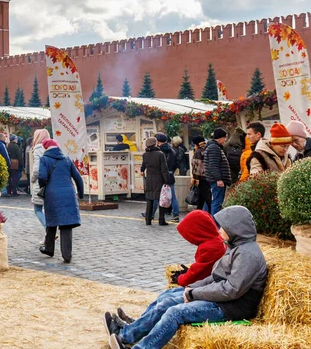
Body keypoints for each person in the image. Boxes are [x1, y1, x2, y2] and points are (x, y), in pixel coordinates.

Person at [103, 206, 267, 349]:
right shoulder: (236, 248)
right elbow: (215, 277)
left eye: (223, 227)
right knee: (167, 298)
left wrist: (194, 294)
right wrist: (191, 289)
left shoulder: (247, 255)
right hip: (223, 301)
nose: (219, 230)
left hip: (231, 308)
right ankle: (127, 334)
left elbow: (230, 290)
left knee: (175, 312)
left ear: (235, 228)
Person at [38, 139, 84, 263]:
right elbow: (78, 178)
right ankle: (67, 255)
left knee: (52, 221)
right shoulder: (67, 159)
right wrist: (81, 193)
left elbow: (41, 176)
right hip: (68, 194)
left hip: (52, 194)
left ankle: (49, 248)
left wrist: (43, 185)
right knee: (66, 224)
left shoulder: (44, 159)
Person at [171, 210, 226, 286]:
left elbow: (197, 274)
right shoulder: (217, 239)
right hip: (215, 281)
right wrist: (188, 271)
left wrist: (180, 279)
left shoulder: (209, 248)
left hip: (213, 284)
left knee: (167, 296)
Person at [141, 137, 170, 226]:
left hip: (149, 178)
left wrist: (143, 171)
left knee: (149, 199)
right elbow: (164, 169)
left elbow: (143, 167)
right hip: (159, 178)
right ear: (155, 143)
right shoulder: (160, 154)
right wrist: (167, 180)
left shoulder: (145, 155)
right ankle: (161, 220)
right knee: (161, 199)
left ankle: (148, 220)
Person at [204, 128, 231, 217]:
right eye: (224, 138)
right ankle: (215, 224)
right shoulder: (214, 148)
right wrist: (219, 179)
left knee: (213, 201)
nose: (225, 140)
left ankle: (208, 220)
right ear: (220, 138)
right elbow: (213, 165)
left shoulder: (213, 147)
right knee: (217, 202)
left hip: (215, 180)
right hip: (217, 181)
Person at [156, 134, 179, 222]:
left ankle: (150, 213)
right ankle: (176, 214)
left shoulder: (159, 151)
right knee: (172, 196)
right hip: (170, 174)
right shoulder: (172, 150)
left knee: (156, 196)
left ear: (158, 141)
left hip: (160, 175)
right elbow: (177, 163)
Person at [30, 129, 50, 230]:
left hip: (40, 184)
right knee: (49, 210)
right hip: (51, 183)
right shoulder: (51, 148)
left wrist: (32, 180)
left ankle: (49, 230)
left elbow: (36, 170)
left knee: (37, 209)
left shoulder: (38, 149)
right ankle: (48, 236)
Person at [191, 136, 211, 212]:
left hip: (201, 178)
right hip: (208, 176)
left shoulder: (198, 151)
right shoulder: (207, 149)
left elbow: (197, 167)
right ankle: (199, 212)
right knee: (201, 198)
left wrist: (195, 178)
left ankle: (211, 215)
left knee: (206, 198)